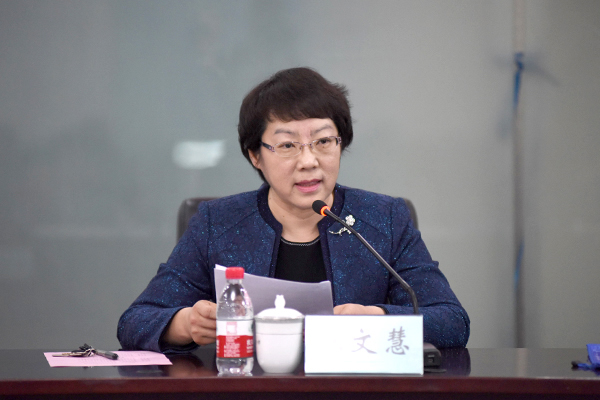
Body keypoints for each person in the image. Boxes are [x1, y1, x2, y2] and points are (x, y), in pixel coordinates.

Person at [117, 67, 470, 352]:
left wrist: (378, 318)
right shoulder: (217, 223)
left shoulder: (384, 218)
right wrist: (185, 324)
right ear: (255, 156)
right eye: (287, 145)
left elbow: (452, 321)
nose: (308, 161)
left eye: (323, 141)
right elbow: (135, 322)